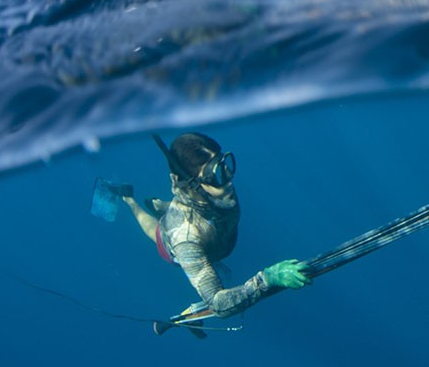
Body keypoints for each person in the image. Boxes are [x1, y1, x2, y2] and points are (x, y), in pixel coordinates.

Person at [120, 132, 310, 318]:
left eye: (223, 164)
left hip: (197, 210)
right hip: (173, 238)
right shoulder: (185, 239)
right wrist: (265, 280)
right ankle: (130, 201)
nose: (227, 180)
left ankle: (160, 205)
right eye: (214, 175)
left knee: (185, 209)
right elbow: (218, 304)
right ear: (189, 184)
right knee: (156, 232)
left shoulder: (217, 190)